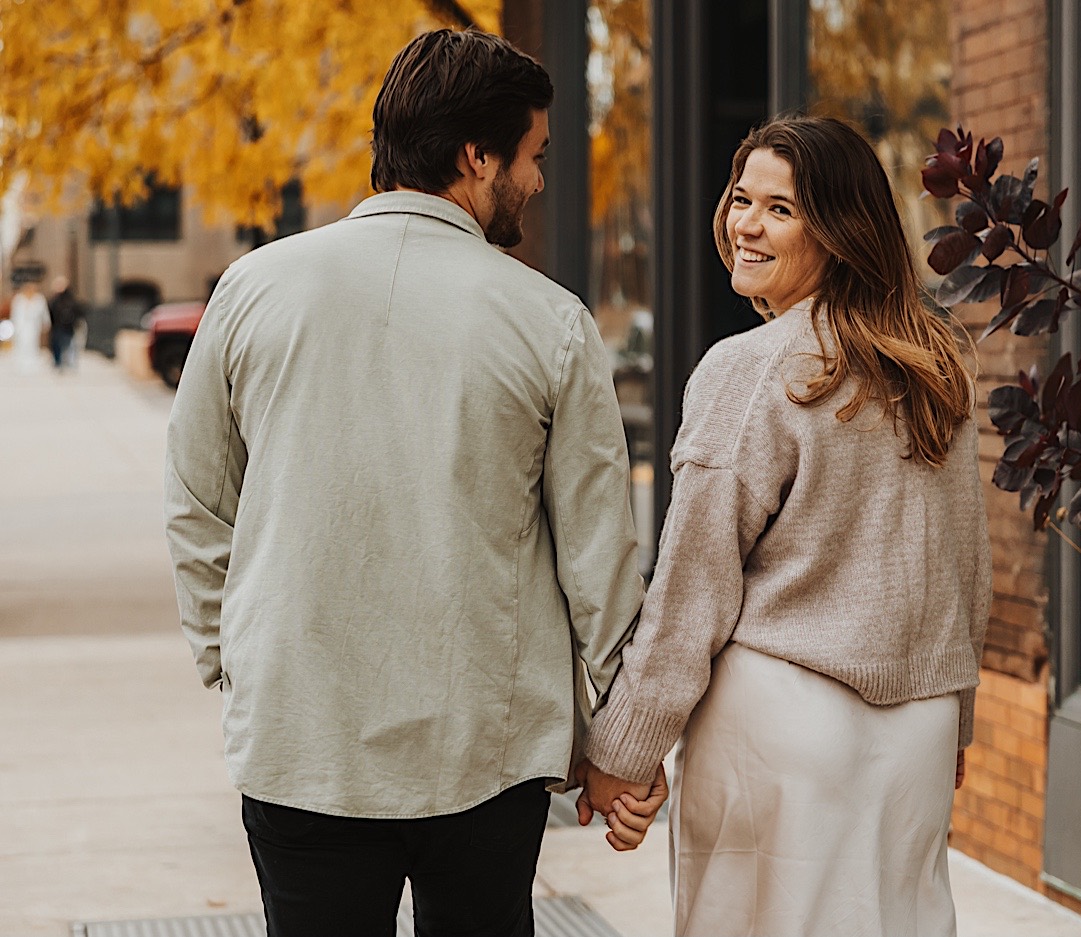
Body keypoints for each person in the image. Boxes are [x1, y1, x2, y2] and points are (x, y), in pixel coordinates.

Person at [164, 29, 658, 937]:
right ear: (477, 157)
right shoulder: (548, 320)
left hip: (300, 736)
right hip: (486, 750)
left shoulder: (250, 290)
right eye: (534, 156)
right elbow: (600, 560)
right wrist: (624, 743)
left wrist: (230, 658)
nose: (539, 180)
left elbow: (196, 501)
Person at [578, 115, 993, 937]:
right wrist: (957, 716)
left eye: (781, 209)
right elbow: (965, 566)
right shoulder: (932, 364)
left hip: (780, 727)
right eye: (742, 200)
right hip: (917, 728)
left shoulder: (752, 366)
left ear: (839, 232)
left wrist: (620, 756)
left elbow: (693, 587)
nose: (747, 226)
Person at [8, 279, 48, 373]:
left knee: (32, 342)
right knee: (21, 343)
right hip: (21, 326)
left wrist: (46, 323)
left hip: (33, 325)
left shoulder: (39, 299)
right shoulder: (19, 299)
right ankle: (21, 362)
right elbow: (14, 313)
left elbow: (44, 313)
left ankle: (31, 362)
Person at [47, 276, 84, 370]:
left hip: (67, 326)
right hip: (57, 326)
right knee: (57, 345)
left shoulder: (69, 299)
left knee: (68, 344)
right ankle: (58, 362)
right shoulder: (54, 300)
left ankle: (68, 363)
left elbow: (77, 311)